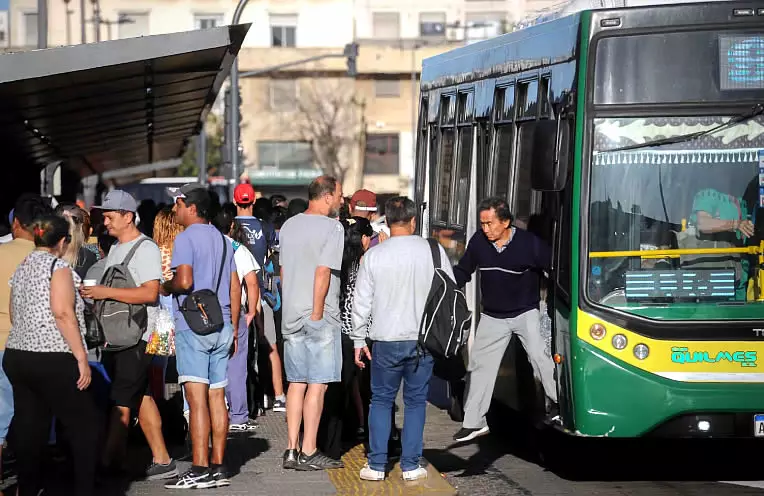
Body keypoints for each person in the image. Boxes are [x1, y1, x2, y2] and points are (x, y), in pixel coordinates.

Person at [351, 197, 453, 482]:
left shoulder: (375, 255)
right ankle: (410, 465)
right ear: (413, 221)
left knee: (381, 401)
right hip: (423, 340)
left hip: (385, 340)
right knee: (416, 402)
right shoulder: (433, 251)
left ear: (387, 221)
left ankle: (376, 465)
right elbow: (449, 291)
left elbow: (361, 302)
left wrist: (359, 340)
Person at [81, 190, 177, 480]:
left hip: (138, 337)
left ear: (127, 216)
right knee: (139, 396)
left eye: (110, 217)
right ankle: (162, 460)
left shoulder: (145, 248)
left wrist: (102, 292)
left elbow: (150, 293)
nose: (105, 223)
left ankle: (107, 464)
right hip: (119, 337)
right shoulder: (117, 248)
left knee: (121, 400)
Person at [5, 214, 98, 496]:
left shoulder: (22, 266)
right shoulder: (58, 267)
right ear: (61, 241)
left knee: (31, 426)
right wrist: (81, 357)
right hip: (53, 355)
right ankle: (84, 488)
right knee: (85, 425)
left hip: (18, 353)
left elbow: (13, 311)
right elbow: (63, 312)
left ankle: (28, 487)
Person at [452, 197, 557, 443]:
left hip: (524, 313)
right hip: (493, 315)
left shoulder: (529, 244)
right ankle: (474, 423)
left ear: (506, 222)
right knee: (479, 365)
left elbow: (555, 267)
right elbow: (463, 271)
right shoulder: (479, 242)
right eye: (482, 224)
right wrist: (445, 285)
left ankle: (559, 405)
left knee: (540, 358)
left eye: (489, 223)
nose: (485, 229)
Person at [162, 183, 241, 489]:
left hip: (193, 325)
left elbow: (184, 281)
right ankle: (219, 467)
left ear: (192, 208)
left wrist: (166, 287)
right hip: (221, 323)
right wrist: (233, 326)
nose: (175, 210)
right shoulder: (223, 241)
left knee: (196, 403)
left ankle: (198, 468)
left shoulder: (184, 239)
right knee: (217, 397)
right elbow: (235, 285)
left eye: (178, 204)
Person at [279, 175, 345, 470]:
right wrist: (318, 313)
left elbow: (282, 271)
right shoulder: (333, 227)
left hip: (291, 312)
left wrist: (291, 302)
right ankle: (309, 450)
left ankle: (290, 449)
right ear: (327, 196)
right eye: (340, 195)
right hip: (319, 314)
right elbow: (323, 272)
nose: (342, 201)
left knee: (295, 383)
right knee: (317, 386)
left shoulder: (289, 225)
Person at [0, 194, 52, 477]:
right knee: (32, 422)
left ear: (16, 223)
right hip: (36, 350)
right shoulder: (47, 260)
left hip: (0, 344)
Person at [317, 216, 374, 459]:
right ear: (363, 238)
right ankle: (375, 441)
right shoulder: (365, 263)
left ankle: (330, 445)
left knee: (337, 392)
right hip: (361, 335)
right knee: (370, 391)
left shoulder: (338, 262)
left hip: (337, 333)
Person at [212, 206, 261, 431]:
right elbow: (251, 283)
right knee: (237, 364)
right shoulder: (237, 248)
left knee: (211, 363)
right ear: (232, 225)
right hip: (233, 311)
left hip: (206, 311)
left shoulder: (207, 246)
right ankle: (238, 415)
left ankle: (212, 411)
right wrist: (251, 311)